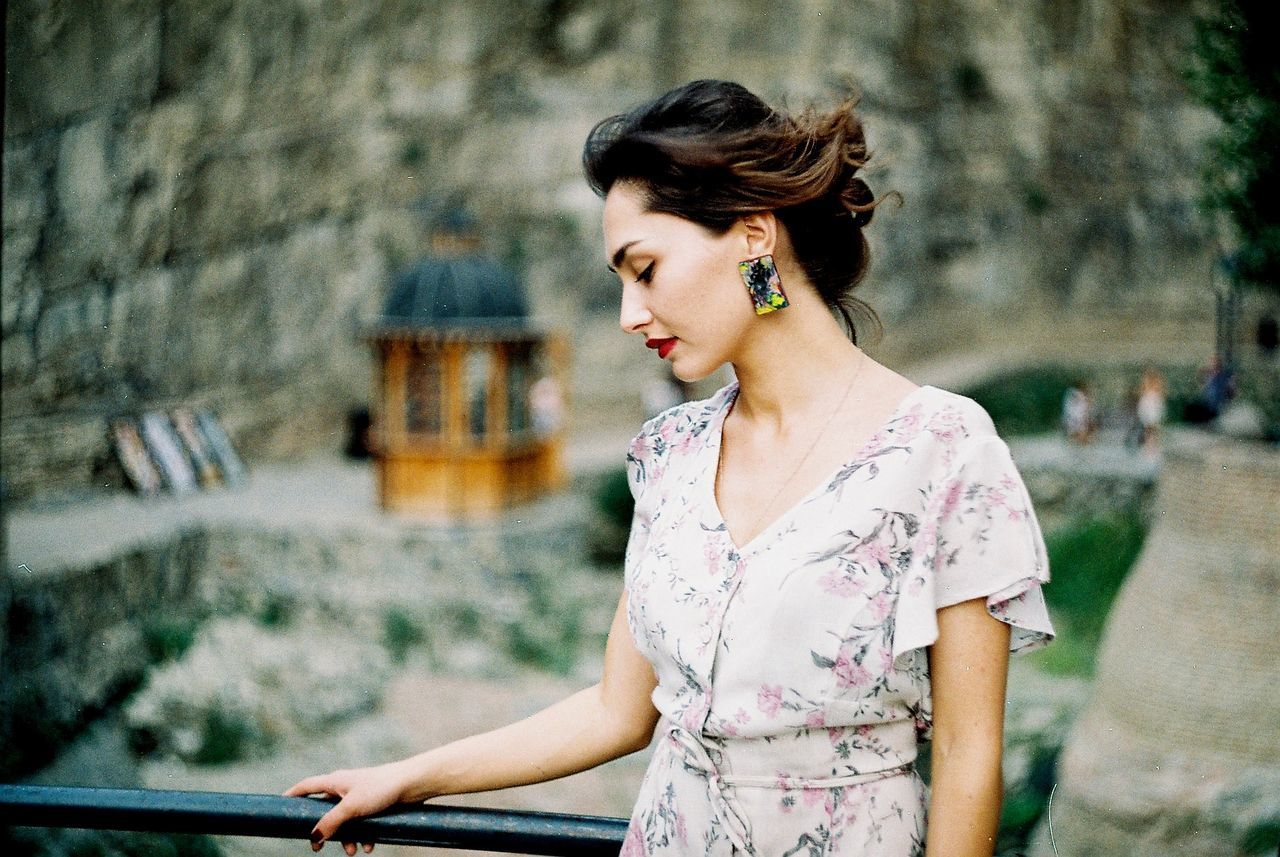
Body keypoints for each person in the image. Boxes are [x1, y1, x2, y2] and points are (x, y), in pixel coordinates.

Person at [286, 80, 1053, 857]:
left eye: (644, 269)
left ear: (754, 235)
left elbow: (965, 757)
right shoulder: (671, 454)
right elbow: (617, 711)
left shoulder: (945, 448)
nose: (629, 314)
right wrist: (409, 778)